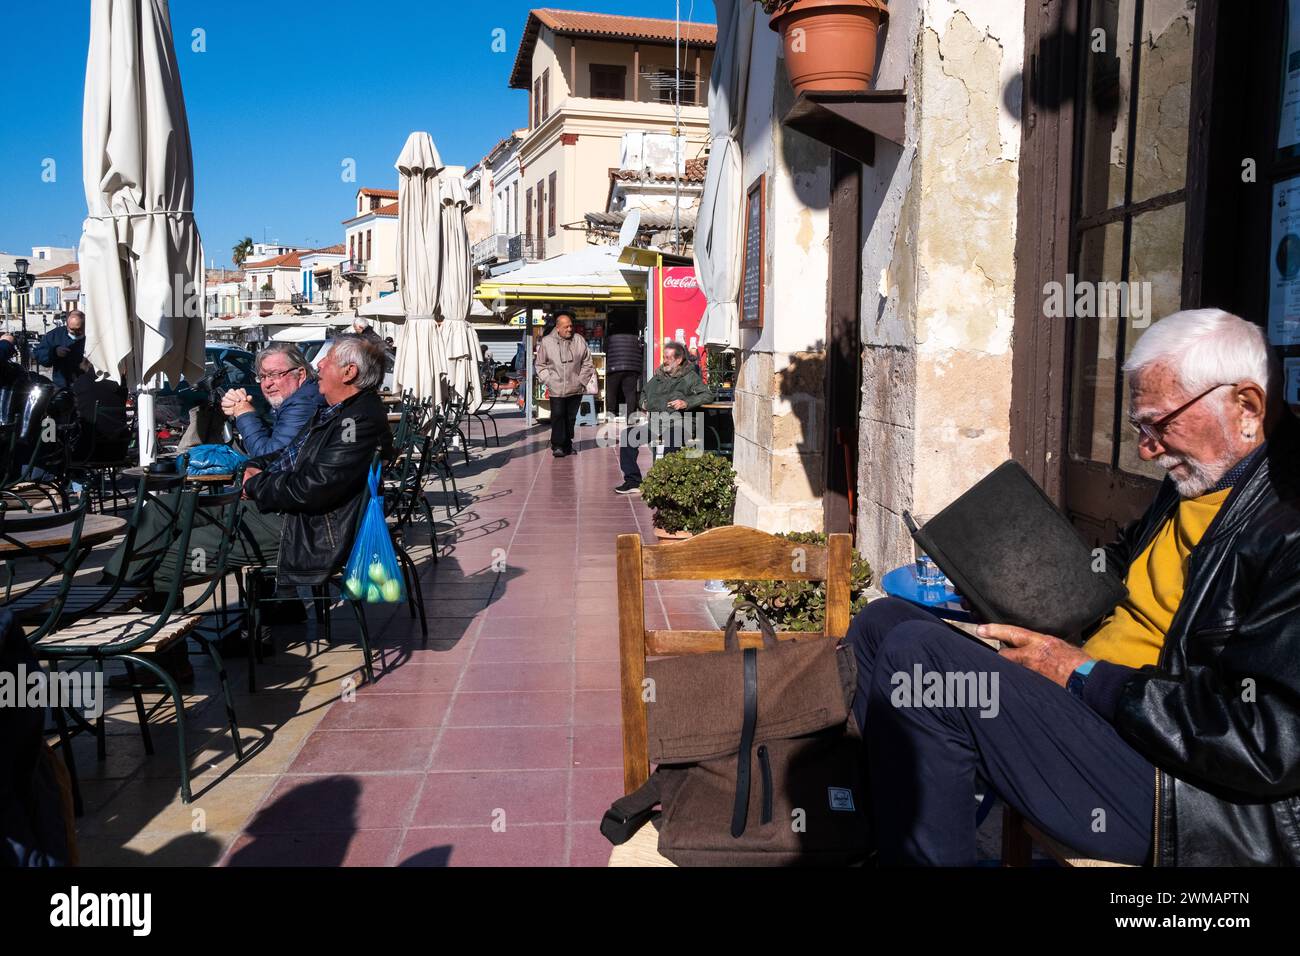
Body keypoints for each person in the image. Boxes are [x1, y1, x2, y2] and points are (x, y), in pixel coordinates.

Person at [848, 309, 1300, 866]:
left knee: (921, 661)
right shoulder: (1204, 474)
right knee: (881, 625)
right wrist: (1000, 584)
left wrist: (1081, 673)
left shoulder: (1288, 523)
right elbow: (1116, 568)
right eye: (1139, 427)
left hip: (1183, 789)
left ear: (1248, 408)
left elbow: (1267, 743)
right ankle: (894, 838)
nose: (1146, 449)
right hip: (1101, 707)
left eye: (1159, 424)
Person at [104, 334, 392, 681]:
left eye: (326, 362)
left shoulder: (354, 422)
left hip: (301, 529)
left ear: (347, 372)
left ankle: (164, 659)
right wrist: (250, 470)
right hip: (286, 513)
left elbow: (312, 489)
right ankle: (110, 590)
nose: (318, 366)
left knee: (168, 560)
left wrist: (256, 483)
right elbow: (288, 458)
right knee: (166, 507)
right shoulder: (340, 410)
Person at [615, 340, 712, 494]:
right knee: (627, 436)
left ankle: (668, 482)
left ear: (679, 360)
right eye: (664, 357)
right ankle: (633, 481)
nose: (664, 361)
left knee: (671, 439)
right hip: (656, 423)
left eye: (668, 358)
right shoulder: (658, 377)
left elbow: (707, 395)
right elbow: (644, 394)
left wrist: (686, 402)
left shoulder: (689, 377)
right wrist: (644, 404)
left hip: (680, 423)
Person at [221, 343, 325, 457]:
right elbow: (276, 439)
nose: (267, 384)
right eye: (262, 377)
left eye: (274, 374)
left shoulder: (303, 404)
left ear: (300, 374)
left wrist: (244, 414)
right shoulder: (299, 397)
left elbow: (269, 457)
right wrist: (240, 405)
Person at [534, 311, 595, 458]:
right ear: (558, 327)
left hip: (576, 387)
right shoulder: (547, 342)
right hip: (556, 387)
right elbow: (540, 365)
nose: (569, 329)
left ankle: (567, 444)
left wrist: (581, 380)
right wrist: (548, 380)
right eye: (566, 327)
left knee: (570, 417)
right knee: (558, 416)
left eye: (571, 326)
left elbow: (588, 362)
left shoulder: (579, 340)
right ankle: (557, 445)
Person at [69, 359, 129, 463]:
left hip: (90, 452)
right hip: (119, 449)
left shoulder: (82, 382)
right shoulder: (121, 384)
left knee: (55, 434)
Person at [33, 310, 87, 390]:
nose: (75, 333)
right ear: (67, 325)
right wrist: (54, 352)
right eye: (72, 330)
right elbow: (38, 354)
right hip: (62, 385)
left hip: (86, 385)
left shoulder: (91, 335)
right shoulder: (56, 335)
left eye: (78, 330)